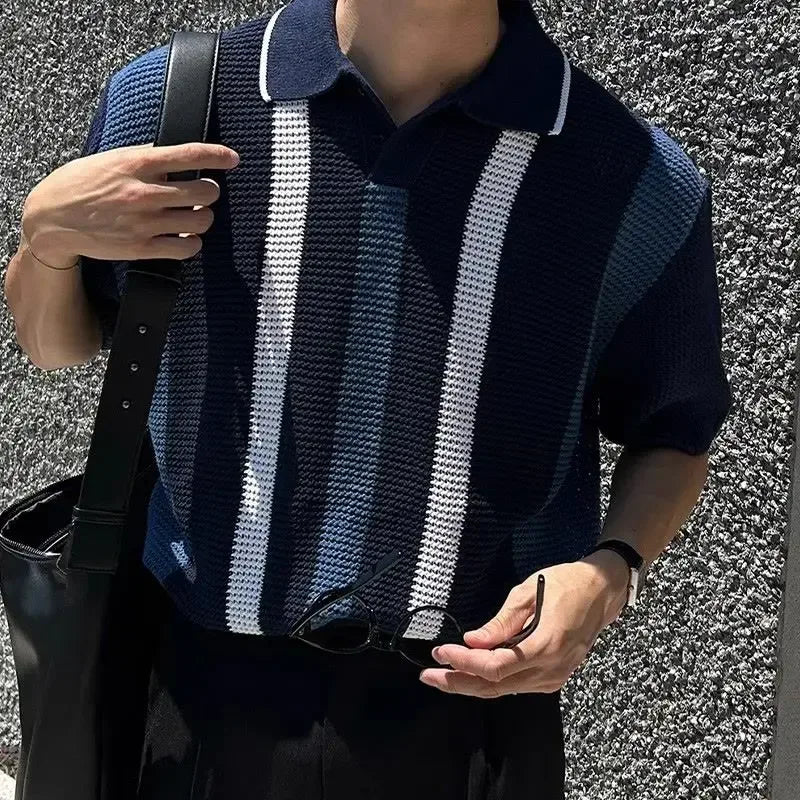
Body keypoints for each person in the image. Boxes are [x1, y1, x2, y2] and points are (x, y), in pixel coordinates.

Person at [3, 0, 732, 797]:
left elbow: (677, 430)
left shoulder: (631, 177)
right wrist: (47, 237)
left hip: (469, 716)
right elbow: (56, 345)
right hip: (196, 703)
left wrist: (610, 569)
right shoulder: (176, 103)